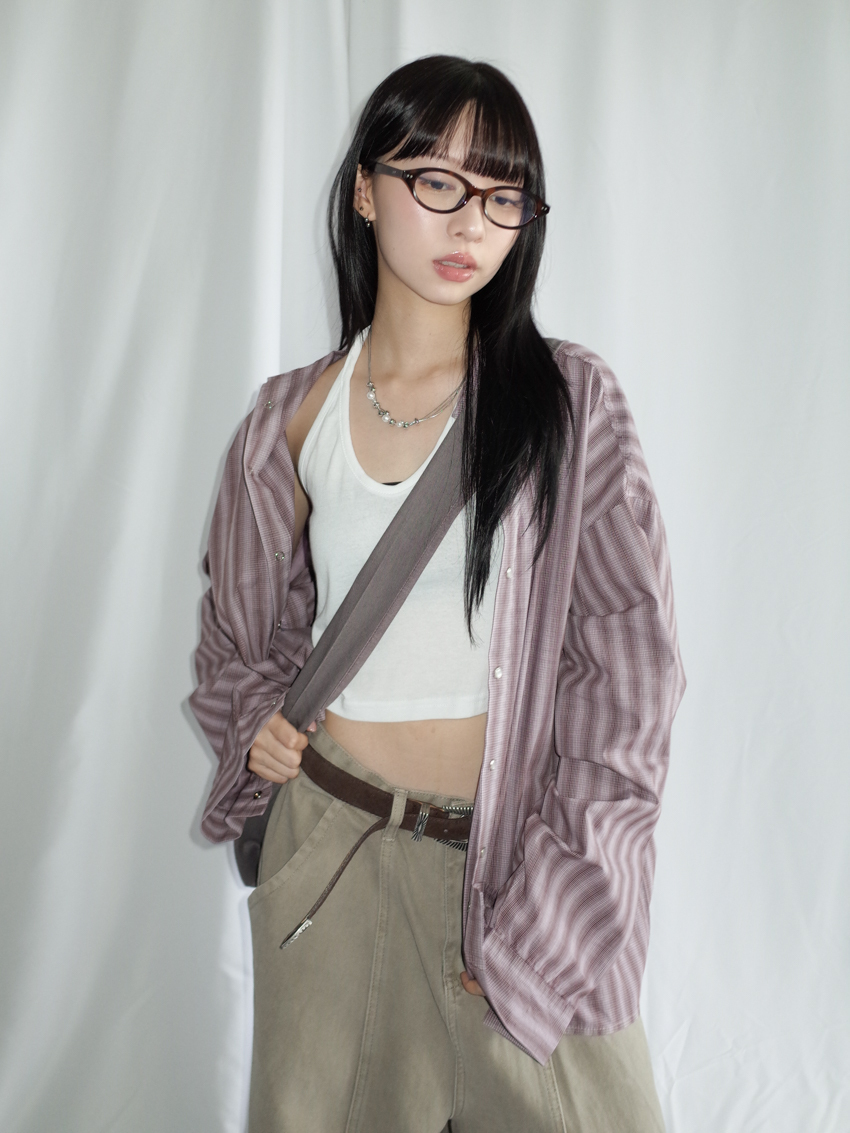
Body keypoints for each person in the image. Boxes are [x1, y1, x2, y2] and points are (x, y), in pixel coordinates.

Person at [190, 54, 685, 1133]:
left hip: (514, 864)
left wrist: (552, 909)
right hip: (333, 853)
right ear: (366, 191)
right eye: (437, 182)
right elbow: (239, 638)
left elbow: (629, 679)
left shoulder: (568, 405)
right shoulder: (288, 418)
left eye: (503, 196)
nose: (471, 222)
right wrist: (257, 721)